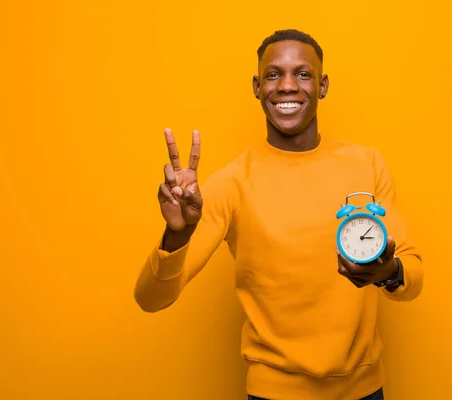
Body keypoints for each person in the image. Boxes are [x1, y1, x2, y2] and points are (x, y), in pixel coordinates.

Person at [134, 29, 423, 400]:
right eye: (274, 74)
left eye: (303, 74)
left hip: (365, 391)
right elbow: (150, 299)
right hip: (274, 395)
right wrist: (176, 235)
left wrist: (389, 273)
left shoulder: (367, 165)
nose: (287, 86)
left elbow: (413, 273)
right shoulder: (232, 183)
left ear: (323, 85)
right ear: (257, 86)